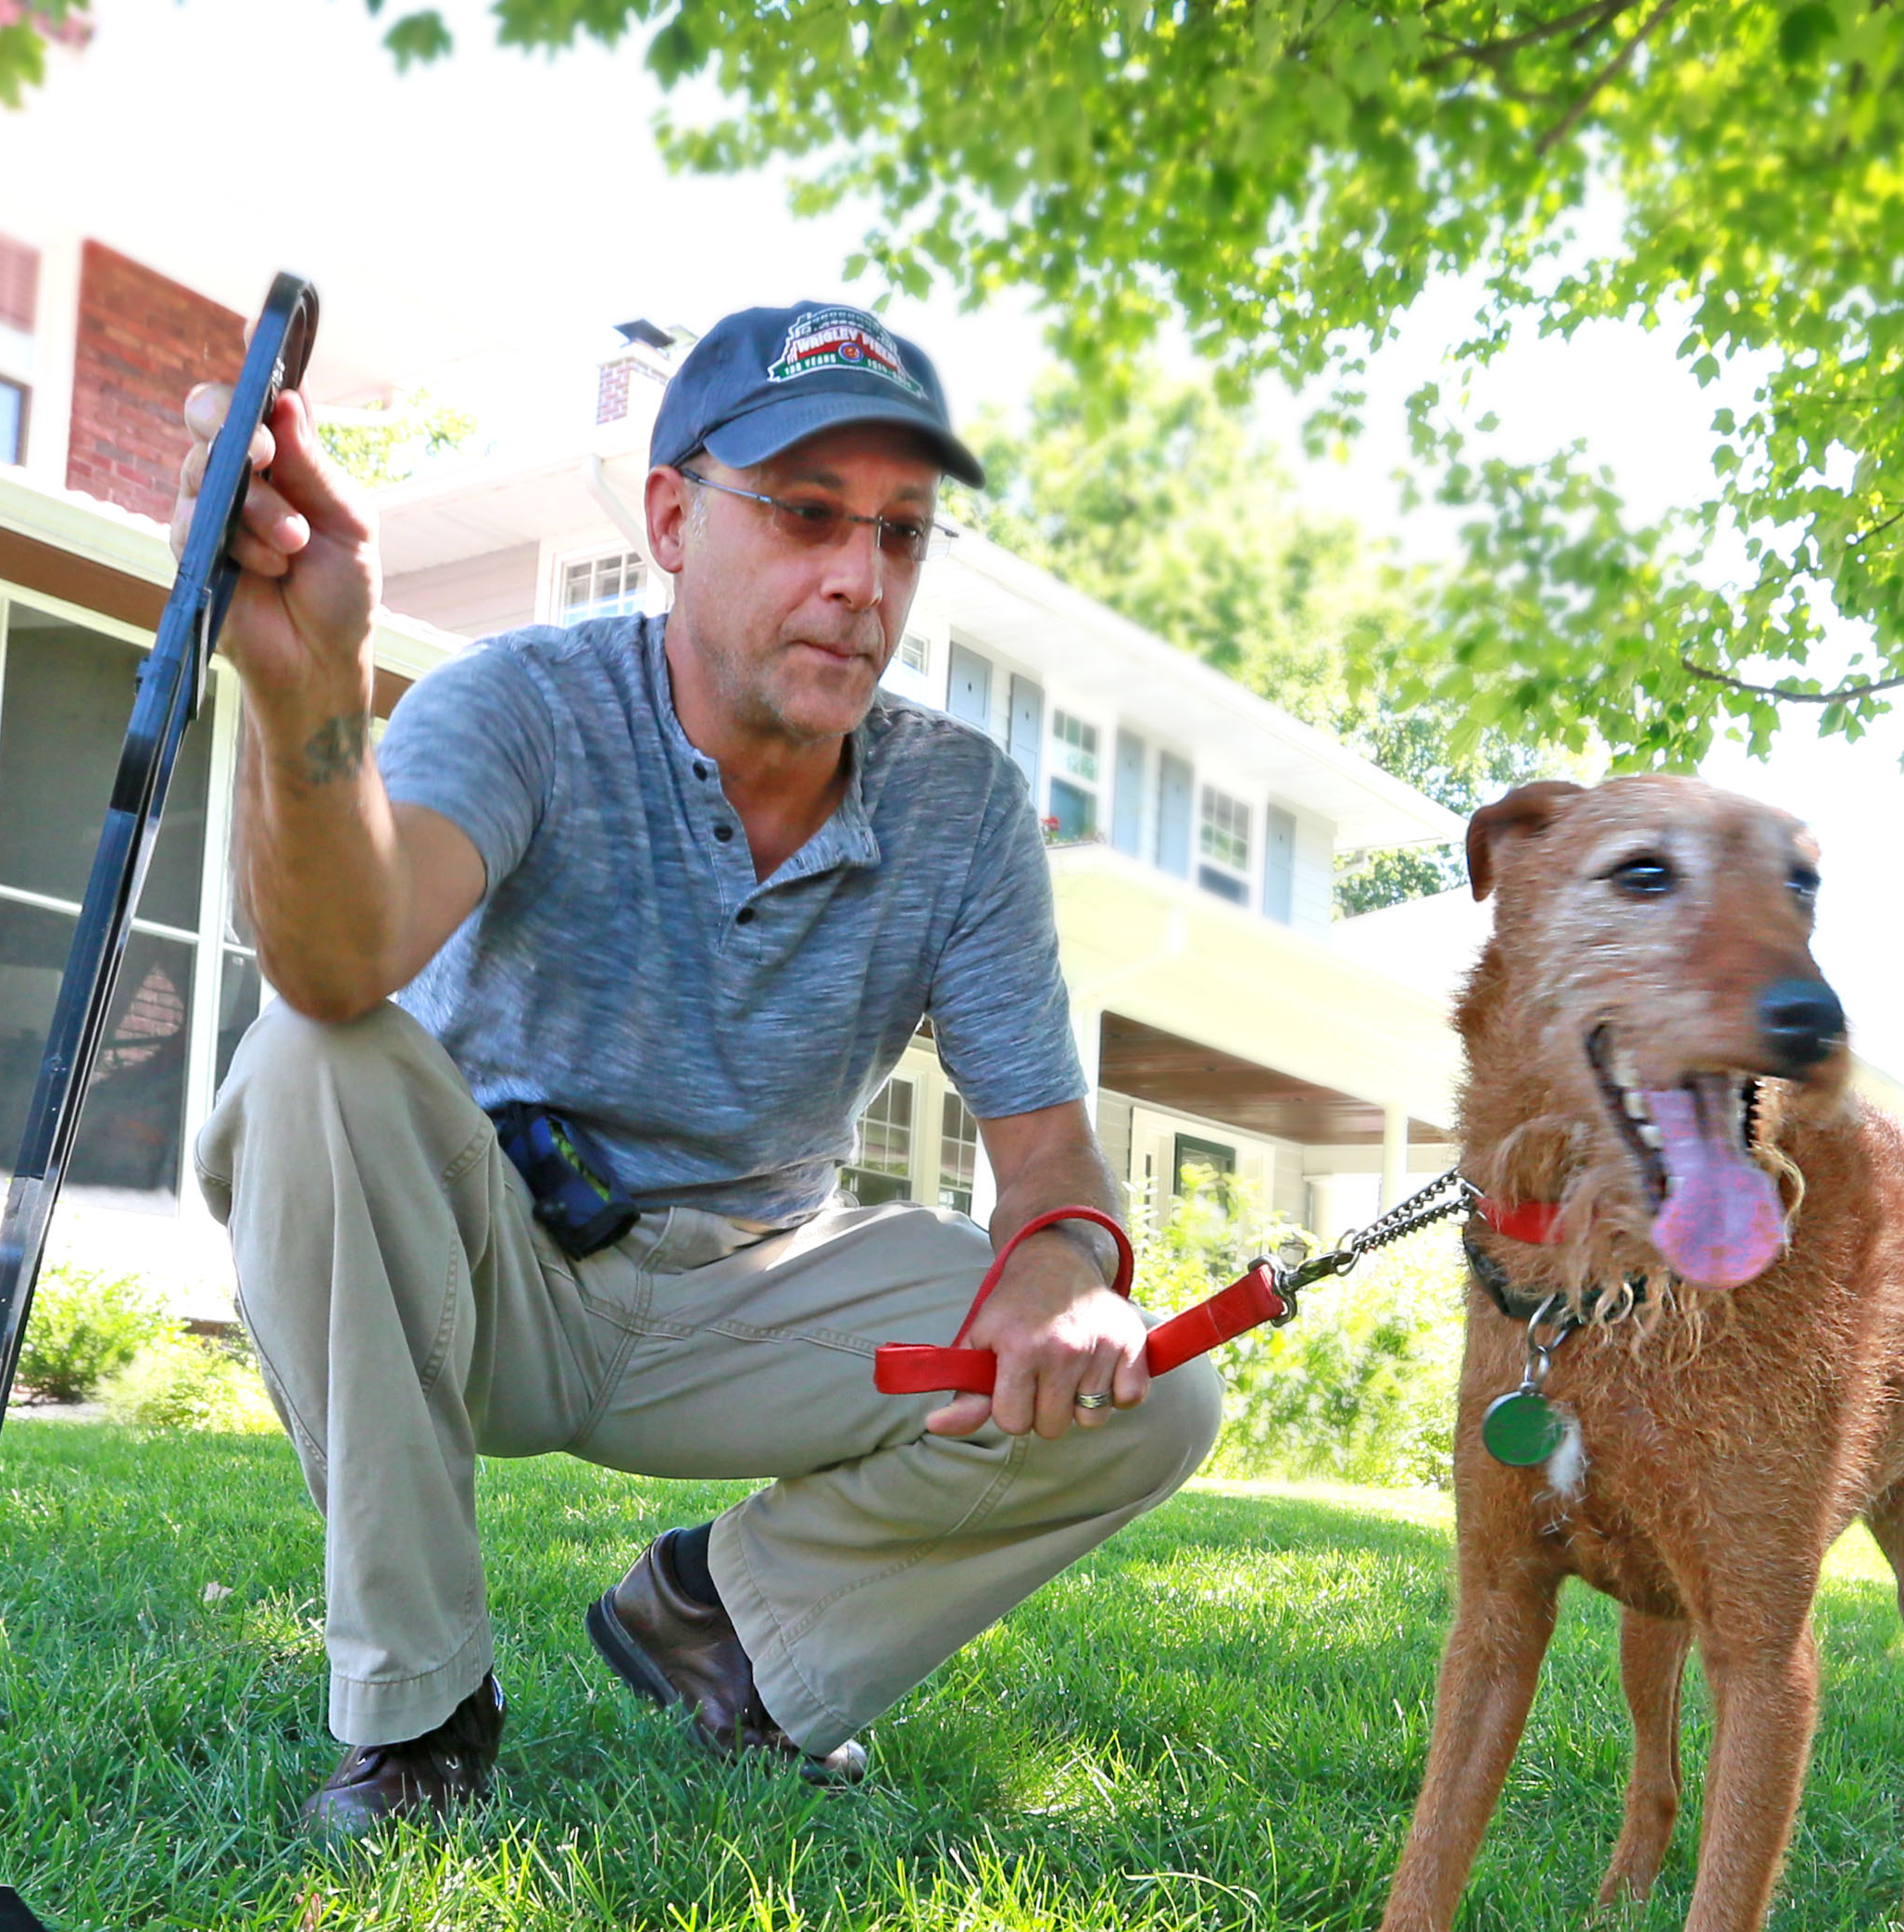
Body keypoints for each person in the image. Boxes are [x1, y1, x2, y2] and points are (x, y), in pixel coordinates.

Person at [186, 300, 1221, 1831]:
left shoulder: (962, 805)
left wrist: (1066, 1262)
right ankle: (420, 1717)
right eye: (806, 515)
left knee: (1156, 1387)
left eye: (901, 535)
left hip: (749, 1299)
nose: (857, 582)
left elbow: (1048, 1151)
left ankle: (723, 1628)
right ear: (671, 516)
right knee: (310, 1058)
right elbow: (338, 965)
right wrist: (303, 695)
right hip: (488, 1281)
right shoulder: (522, 705)